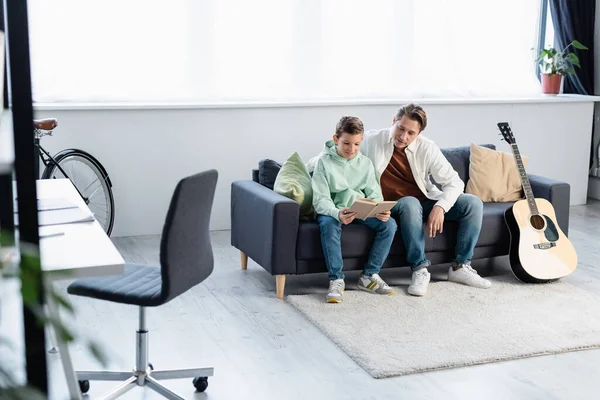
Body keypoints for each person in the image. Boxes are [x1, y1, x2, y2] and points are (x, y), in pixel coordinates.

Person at [361, 103, 491, 296]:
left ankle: (460, 267)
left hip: (425, 201)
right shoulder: (372, 139)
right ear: (393, 121)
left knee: (472, 203)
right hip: (393, 205)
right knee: (410, 202)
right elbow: (342, 153)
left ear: (419, 133)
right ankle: (419, 269)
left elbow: (454, 182)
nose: (403, 137)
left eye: (411, 133)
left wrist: (440, 207)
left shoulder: (427, 148)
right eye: (400, 128)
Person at [312, 116, 397, 303]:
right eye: (346, 143)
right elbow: (320, 200)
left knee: (389, 224)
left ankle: (369, 276)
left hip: (360, 210)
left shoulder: (365, 163)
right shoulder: (323, 163)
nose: (352, 149)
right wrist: (337, 213)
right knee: (328, 224)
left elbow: (375, 194)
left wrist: (380, 209)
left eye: (357, 144)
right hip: (333, 211)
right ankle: (336, 279)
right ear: (336, 139)